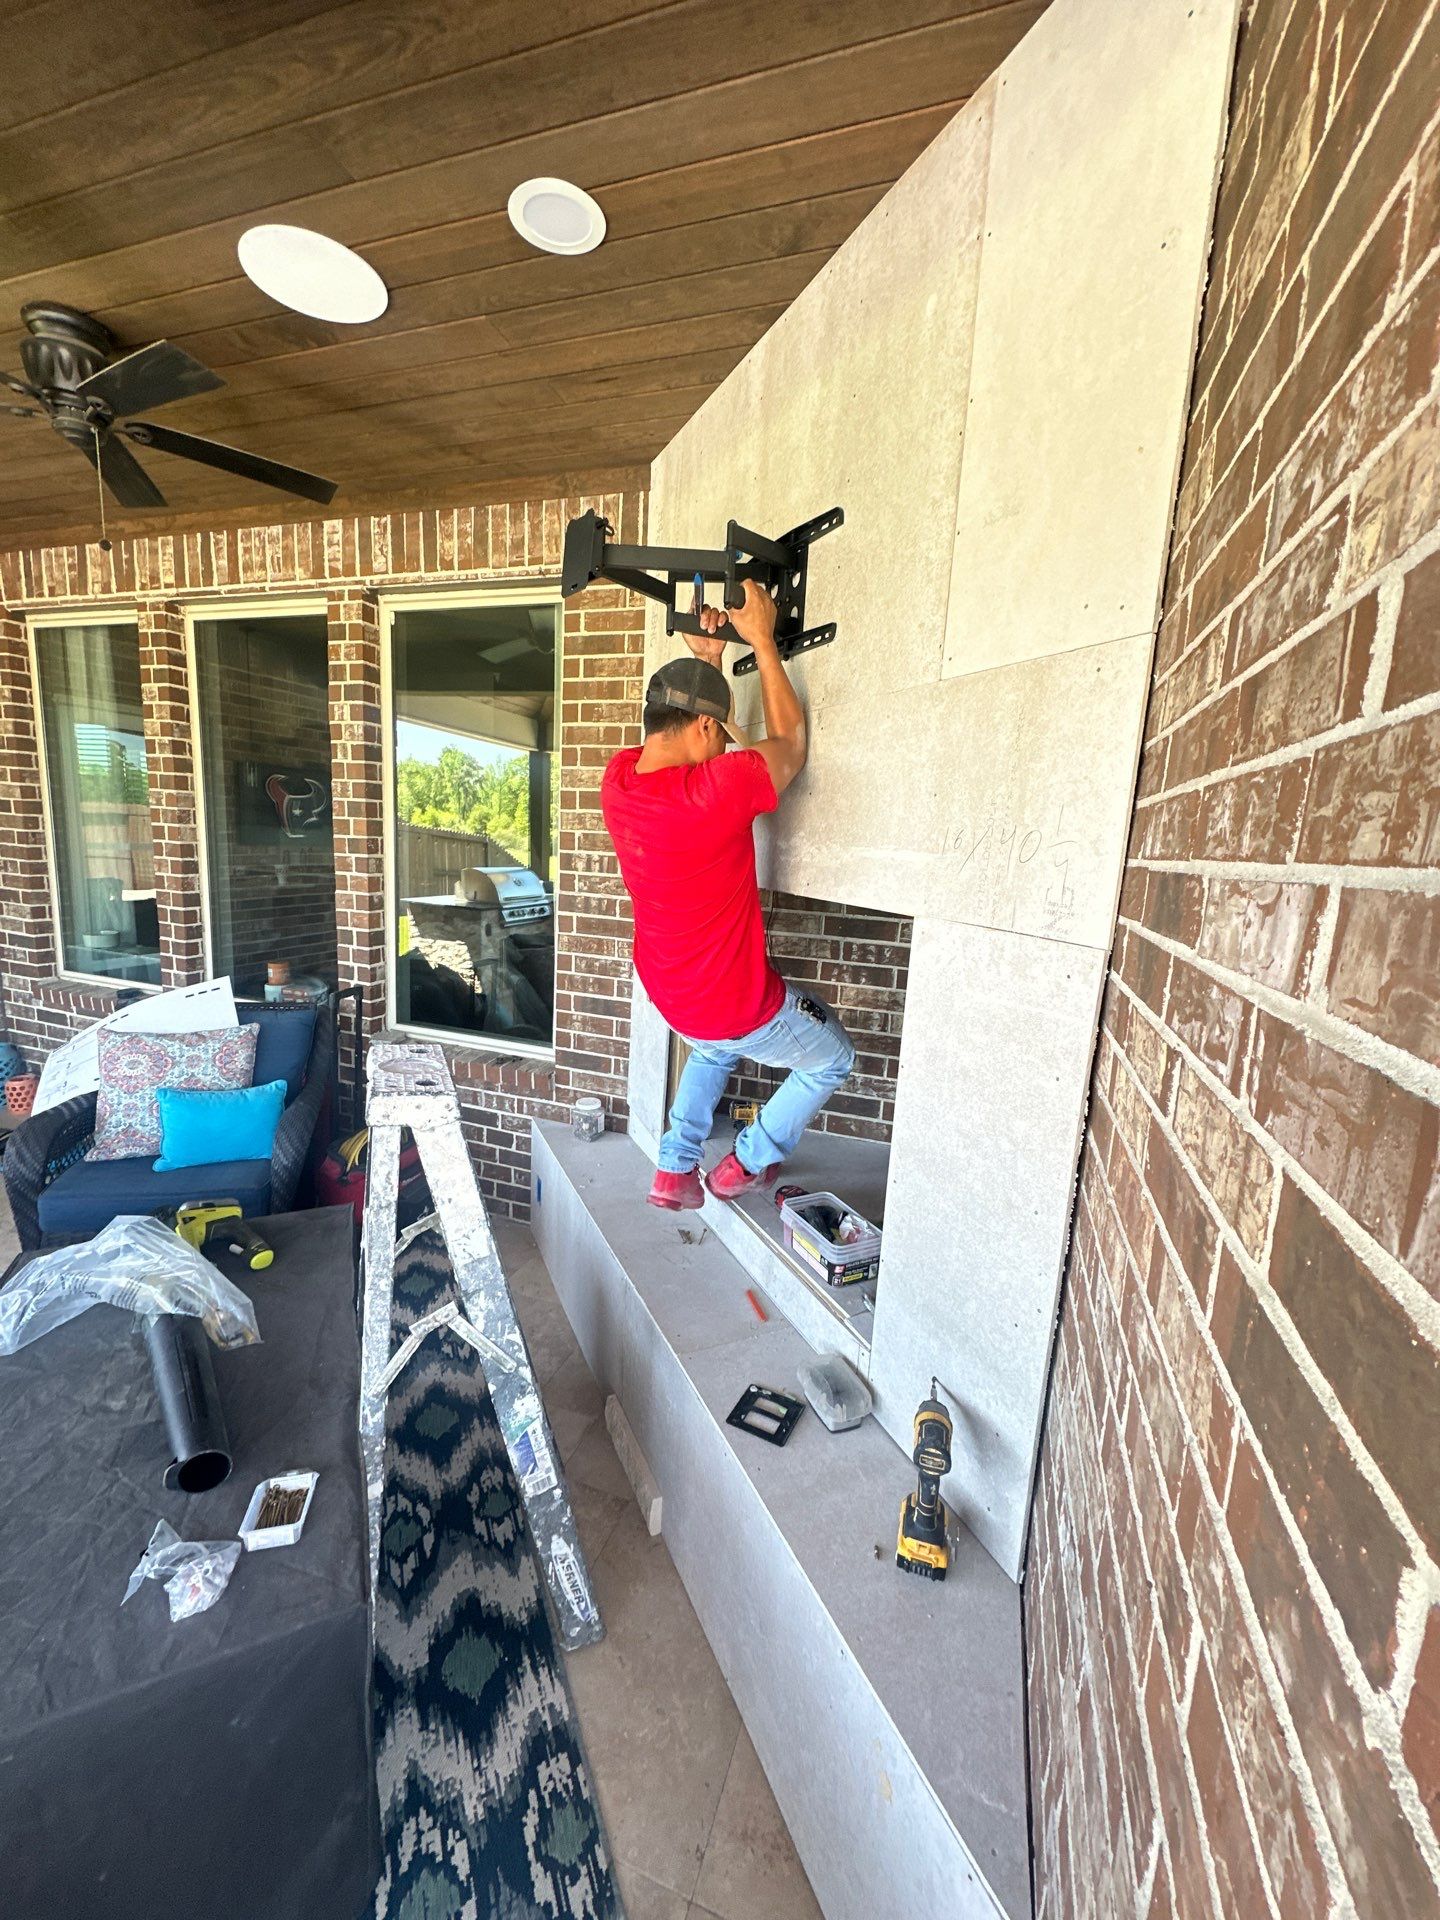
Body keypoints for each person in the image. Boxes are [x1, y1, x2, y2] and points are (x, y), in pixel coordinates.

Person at [600, 578, 855, 1211]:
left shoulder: (620, 779)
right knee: (831, 1060)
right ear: (705, 729)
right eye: (717, 730)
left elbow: (684, 735)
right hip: (736, 999)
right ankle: (748, 1162)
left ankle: (674, 1169)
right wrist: (762, 641)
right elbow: (790, 746)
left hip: (671, 990)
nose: (722, 742)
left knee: (710, 1046)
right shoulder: (715, 790)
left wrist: (708, 661)